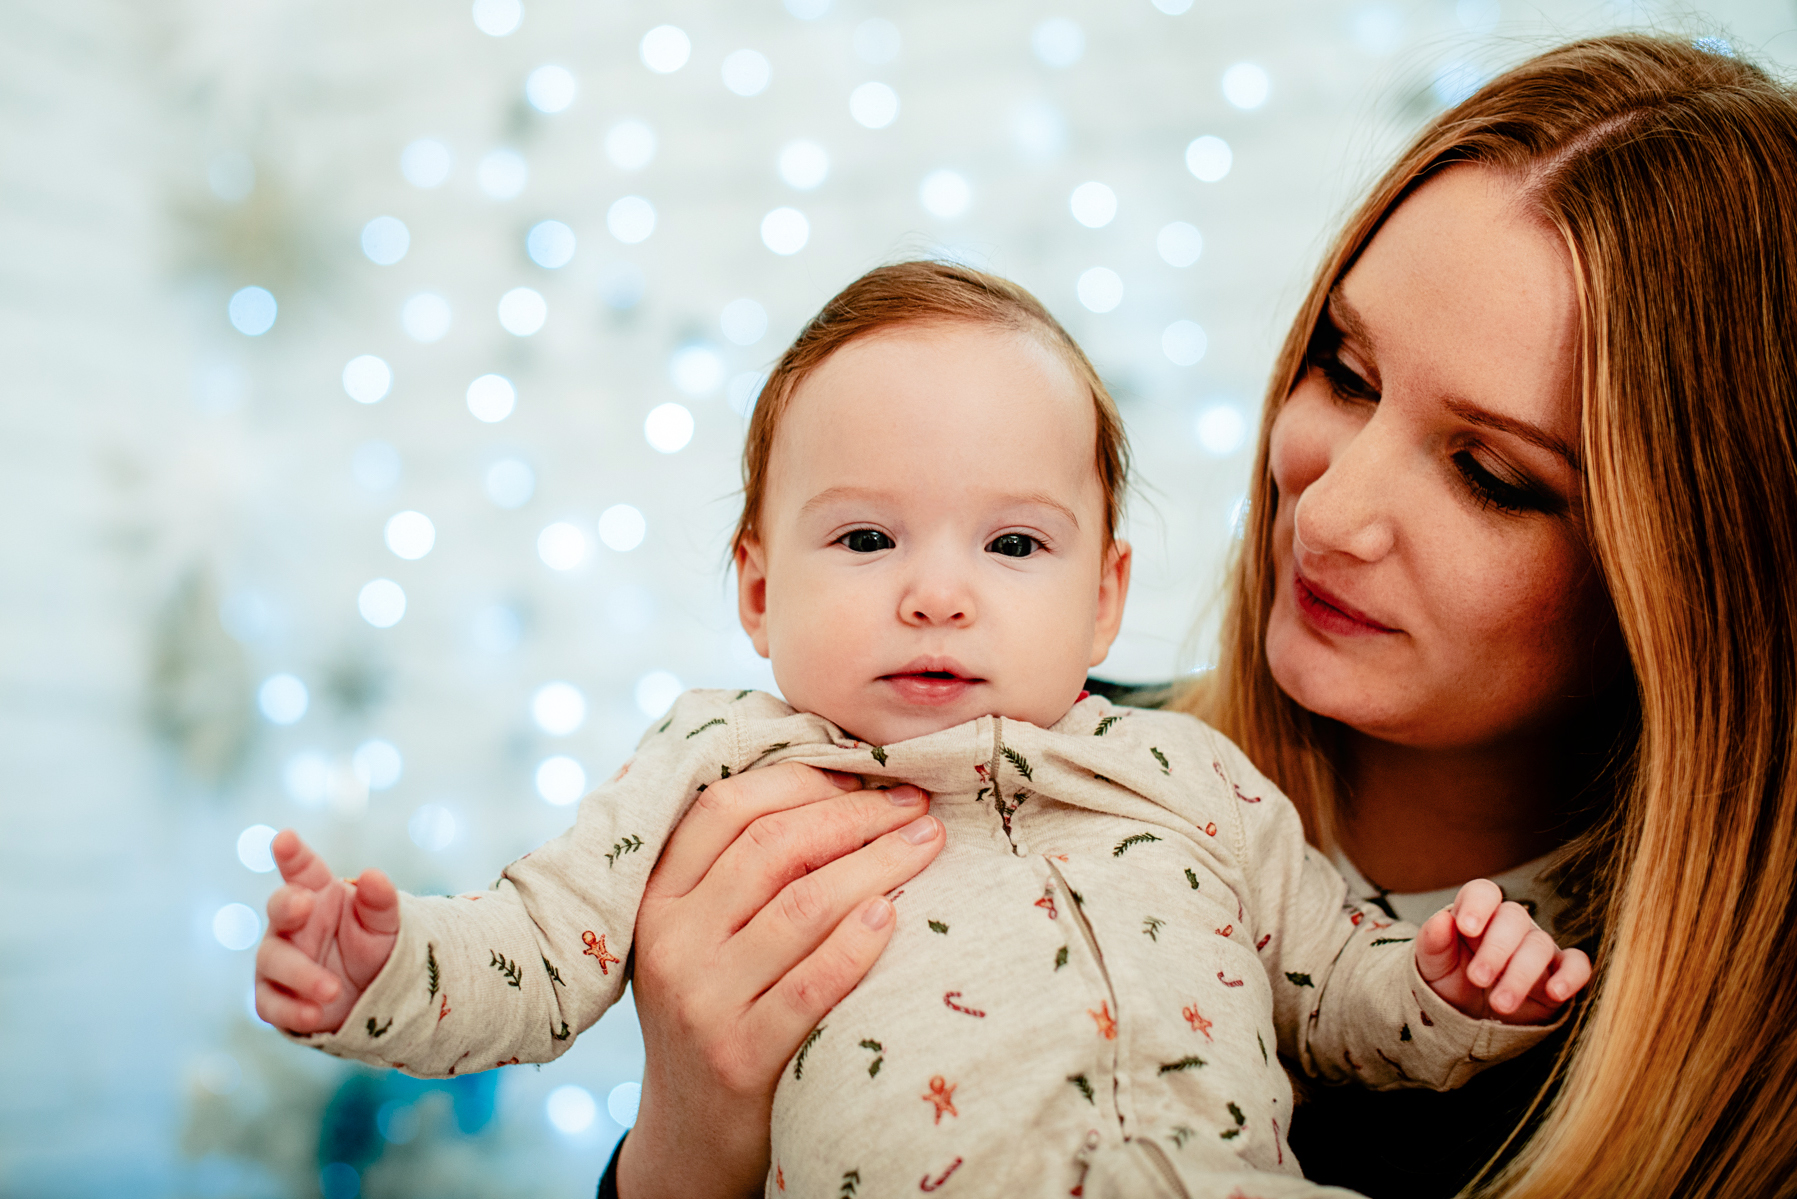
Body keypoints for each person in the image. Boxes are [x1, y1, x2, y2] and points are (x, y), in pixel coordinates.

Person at [601, 34, 1797, 1199]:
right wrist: (689, 1141)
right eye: (1346, 371)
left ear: (1698, 581)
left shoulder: (1723, 1088)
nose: (1331, 514)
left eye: (1491, 473)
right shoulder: (990, 756)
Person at [253, 263, 1586, 1197]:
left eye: (1013, 541)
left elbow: (1333, 985)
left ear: (1105, 594)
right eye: (865, 535)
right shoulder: (717, 766)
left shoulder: (1197, 778)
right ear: (758, 585)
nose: (935, 590)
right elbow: (538, 946)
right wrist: (381, 966)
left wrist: (1445, 987)